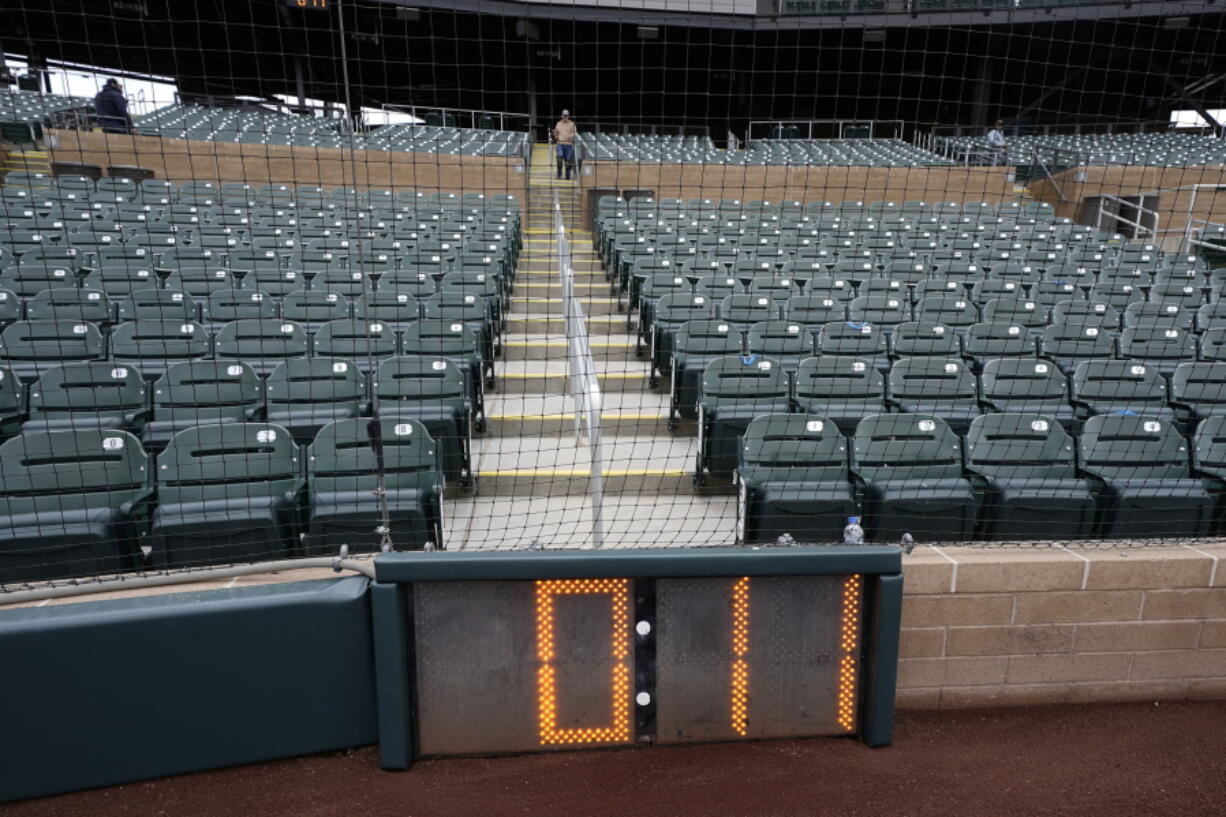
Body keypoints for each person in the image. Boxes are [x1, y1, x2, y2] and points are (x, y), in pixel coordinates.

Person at [552, 109, 577, 180]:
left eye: (566, 115)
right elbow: (556, 132)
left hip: (569, 144)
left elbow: (575, 133)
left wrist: (572, 135)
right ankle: (559, 174)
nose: (564, 117)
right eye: (563, 115)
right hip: (560, 144)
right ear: (561, 115)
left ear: (568, 116)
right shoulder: (558, 123)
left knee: (568, 161)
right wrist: (555, 134)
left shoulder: (572, 124)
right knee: (559, 158)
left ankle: (567, 176)